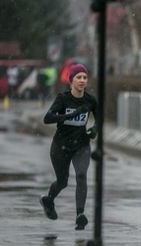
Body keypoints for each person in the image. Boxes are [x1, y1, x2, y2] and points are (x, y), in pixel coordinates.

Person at [39, 64, 97, 230]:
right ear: (71, 80)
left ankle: (80, 215)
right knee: (62, 182)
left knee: (81, 175)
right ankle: (48, 200)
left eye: (85, 77)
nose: (82, 80)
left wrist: (94, 129)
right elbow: (47, 118)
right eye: (78, 77)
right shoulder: (62, 98)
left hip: (81, 145)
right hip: (60, 146)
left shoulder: (90, 100)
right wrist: (69, 115)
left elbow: (99, 120)